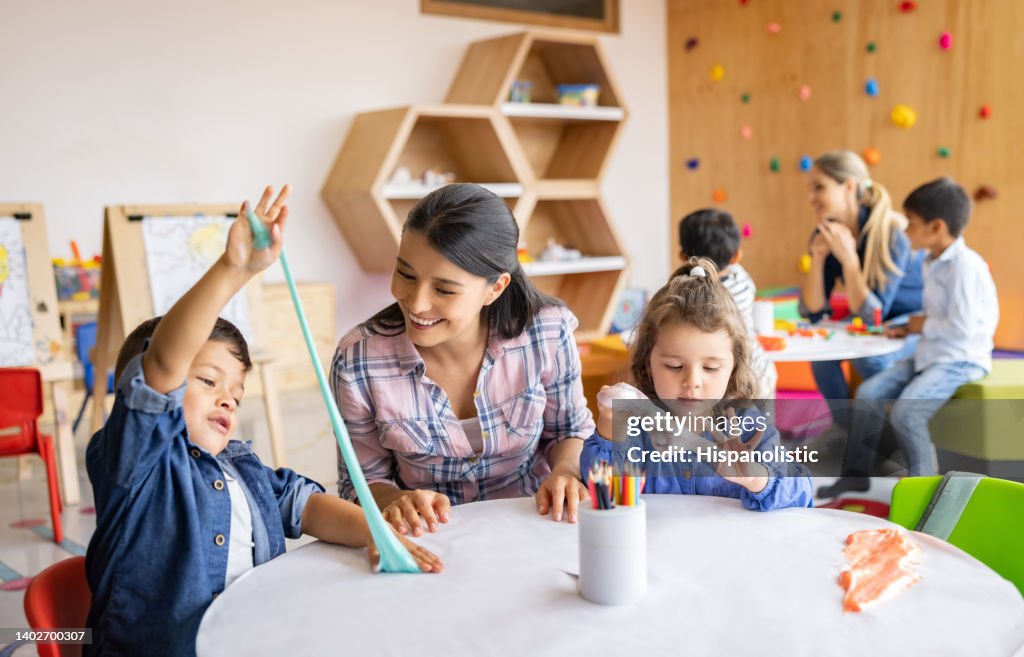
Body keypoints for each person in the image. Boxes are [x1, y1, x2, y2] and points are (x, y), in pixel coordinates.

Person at [85, 186, 441, 657]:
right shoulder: (137, 461)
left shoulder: (241, 469)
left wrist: (376, 533)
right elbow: (163, 367)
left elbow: (306, 506)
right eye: (209, 381)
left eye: (237, 392)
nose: (228, 401)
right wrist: (234, 270)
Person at [332, 183, 595, 535]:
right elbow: (362, 481)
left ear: (496, 288)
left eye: (444, 289)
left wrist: (565, 472)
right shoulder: (358, 360)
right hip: (431, 540)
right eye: (406, 275)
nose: (417, 303)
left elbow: (569, 431)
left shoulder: (547, 330)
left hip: (534, 525)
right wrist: (393, 501)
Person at [580, 258, 813, 511]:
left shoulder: (748, 426)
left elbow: (802, 495)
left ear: (733, 366)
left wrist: (755, 477)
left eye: (711, 368)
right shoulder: (635, 427)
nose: (692, 382)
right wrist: (609, 429)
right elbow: (606, 496)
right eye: (674, 366)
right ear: (648, 362)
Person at [818, 178, 998, 498]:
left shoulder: (964, 267)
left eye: (911, 224)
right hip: (931, 353)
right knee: (869, 392)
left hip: (959, 359)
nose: (905, 231)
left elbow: (964, 329)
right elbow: (936, 321)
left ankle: (927, 492)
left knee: (907, 412)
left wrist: (920, 324)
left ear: (936, 227)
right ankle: (857, 474)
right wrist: (913, 327)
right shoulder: (931, 261)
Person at [799, 150, 924, 430]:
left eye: (819, 187)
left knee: (872, 359)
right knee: (821, 356)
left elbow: (872, 316)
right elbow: (812, 312)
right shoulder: (829, 232)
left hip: (914, 321)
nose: (811, 198)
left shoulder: (892, 232)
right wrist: (817, 261)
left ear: (849, 187)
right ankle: (847, 433)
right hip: (881, 323)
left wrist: (850, 261)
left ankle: (883, 438)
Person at [678, 208, 777, 399]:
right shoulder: (742, 279)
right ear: (736, 256)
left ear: (683, 257)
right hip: (762, 369)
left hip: (734, 379)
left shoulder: (700, 297)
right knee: (761, 426)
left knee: (727, 425)